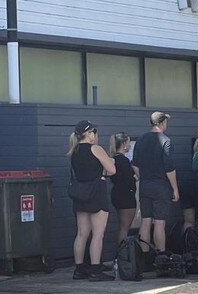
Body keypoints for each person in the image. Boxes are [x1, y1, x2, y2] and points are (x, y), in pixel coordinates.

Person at [68, 120, 116, 281]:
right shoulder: (96, 149)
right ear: (88, 134)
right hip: (96, 193)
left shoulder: (73, 151)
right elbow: (112, 170)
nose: (96, 134)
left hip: (80, 194)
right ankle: (95, 270)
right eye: (94, 131)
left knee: (81, 234)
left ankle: (79, 269)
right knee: (98, 234)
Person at [132, 112, 179, 256]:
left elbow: (135, 164)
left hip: (145, 185)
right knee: (159, 222)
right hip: (161, 186)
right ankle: (161, 256)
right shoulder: (166, 141)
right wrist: (175, 188)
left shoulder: (141, 139)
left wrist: (143, 177)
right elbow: (169, 168)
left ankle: (144, 257)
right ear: (162, 122)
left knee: (145, 221)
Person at [108, 132, 137, 245]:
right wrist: (135, 177)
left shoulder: (113, 160)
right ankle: (122, 255)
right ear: (124, 144)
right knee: (125, 228)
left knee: (122, 226)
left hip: (117, 194)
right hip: (126, 196)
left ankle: (120, 256)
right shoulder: (124, 161)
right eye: (128, 143)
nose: (130, 146)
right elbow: (128, 179)